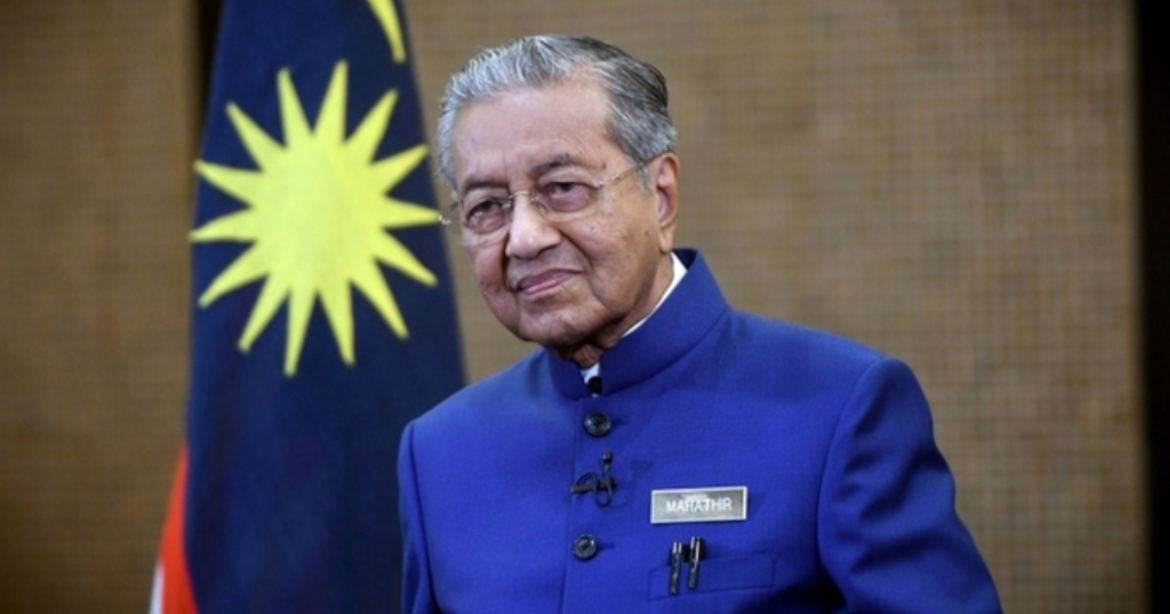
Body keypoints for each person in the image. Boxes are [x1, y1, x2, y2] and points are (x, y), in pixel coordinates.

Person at [397, 34, 1002, 613]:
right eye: (487, 207)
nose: (524, 238)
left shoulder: (839, 408)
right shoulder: (440, 453)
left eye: (563, 188)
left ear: (661, 198)